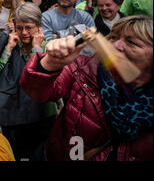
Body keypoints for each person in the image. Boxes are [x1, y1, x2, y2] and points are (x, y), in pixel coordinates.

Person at [20, 15, 153, 161]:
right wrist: (50, 63)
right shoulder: (84, 68)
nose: (116, 46)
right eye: (114, 37)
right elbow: (37, 91)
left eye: (131, 42)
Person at [0, 2, 57, 161]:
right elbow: (0, 72)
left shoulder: (47, 47)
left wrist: (36, 48)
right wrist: (9, 49)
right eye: (19, 27)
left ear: (39, 26)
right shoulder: (10, 45)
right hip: (13, 114)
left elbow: (38, 75)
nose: (24, 32)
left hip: (41, 114)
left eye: (29, 27)